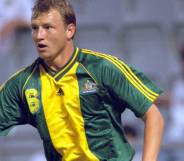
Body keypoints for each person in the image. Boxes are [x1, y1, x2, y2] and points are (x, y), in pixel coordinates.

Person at [0, 0, 164, 161]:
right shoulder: (23, 84)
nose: (39, 36)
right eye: (35, 28)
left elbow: (153, 116)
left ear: (69, 31)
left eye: (48, 27)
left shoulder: (101, 68)